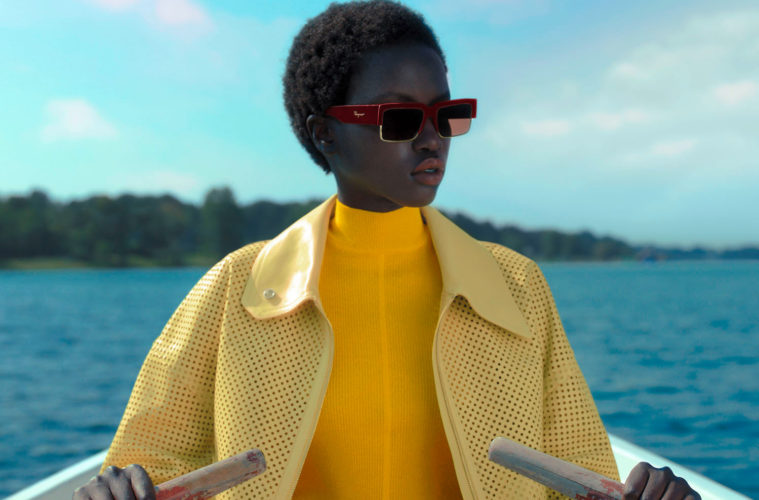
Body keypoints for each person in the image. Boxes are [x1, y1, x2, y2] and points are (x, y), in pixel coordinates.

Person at [73, 2, 701, 499]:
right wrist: (121, 489)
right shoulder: (235, 288)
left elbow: (581, 472)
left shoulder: (517, 285)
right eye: (400, 119)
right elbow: (149, 463)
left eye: (448, 115)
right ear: (325, 133)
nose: (432, 140)